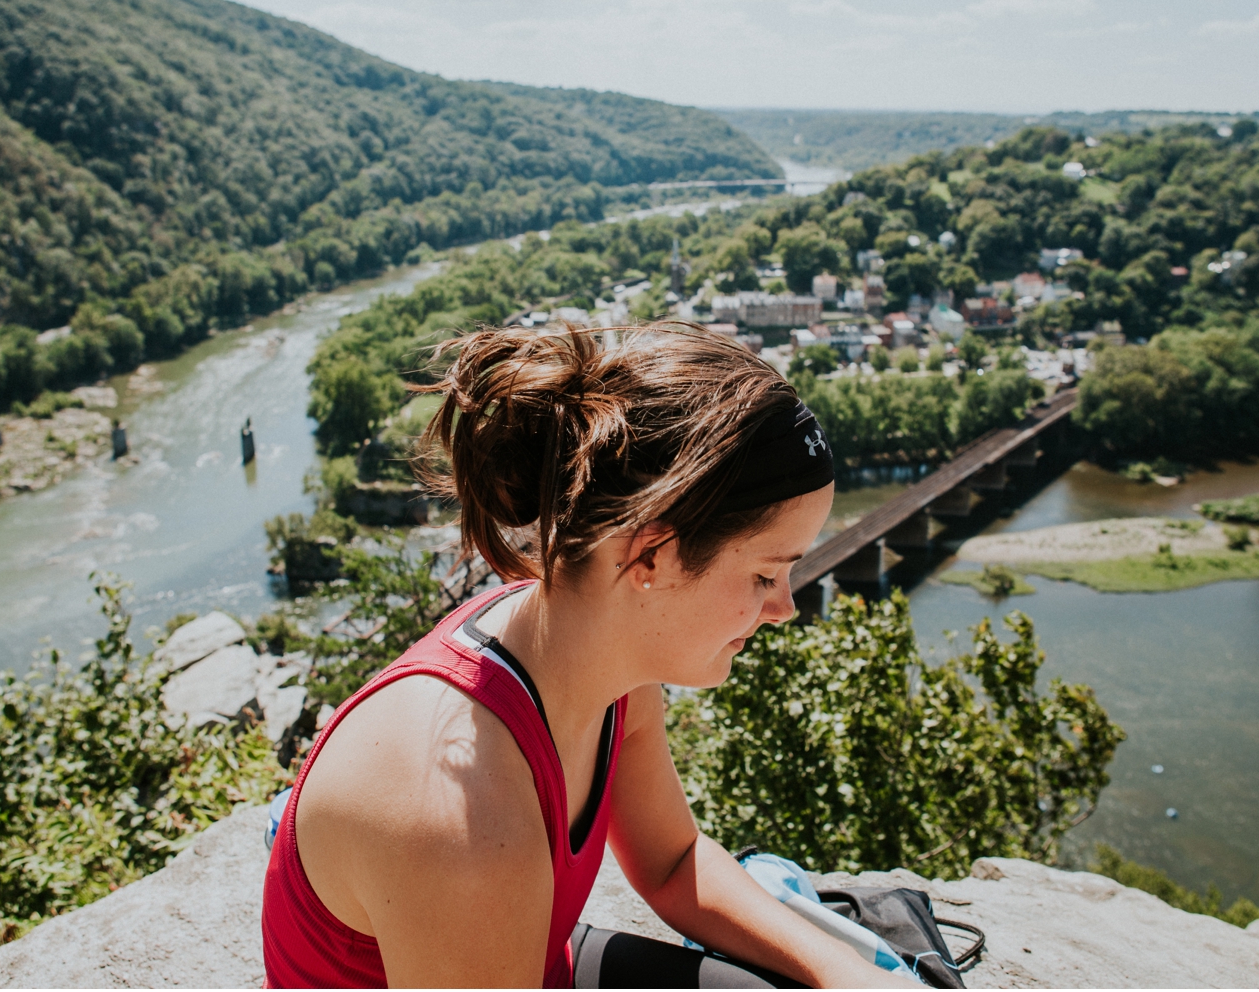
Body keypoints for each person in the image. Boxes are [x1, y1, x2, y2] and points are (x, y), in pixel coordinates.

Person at [263, 324, 914, 988]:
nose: (785, 608)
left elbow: (671, 861)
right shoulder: (468, 823)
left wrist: (849, 974)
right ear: (650, 556)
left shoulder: (601, 657)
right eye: (764, 576)